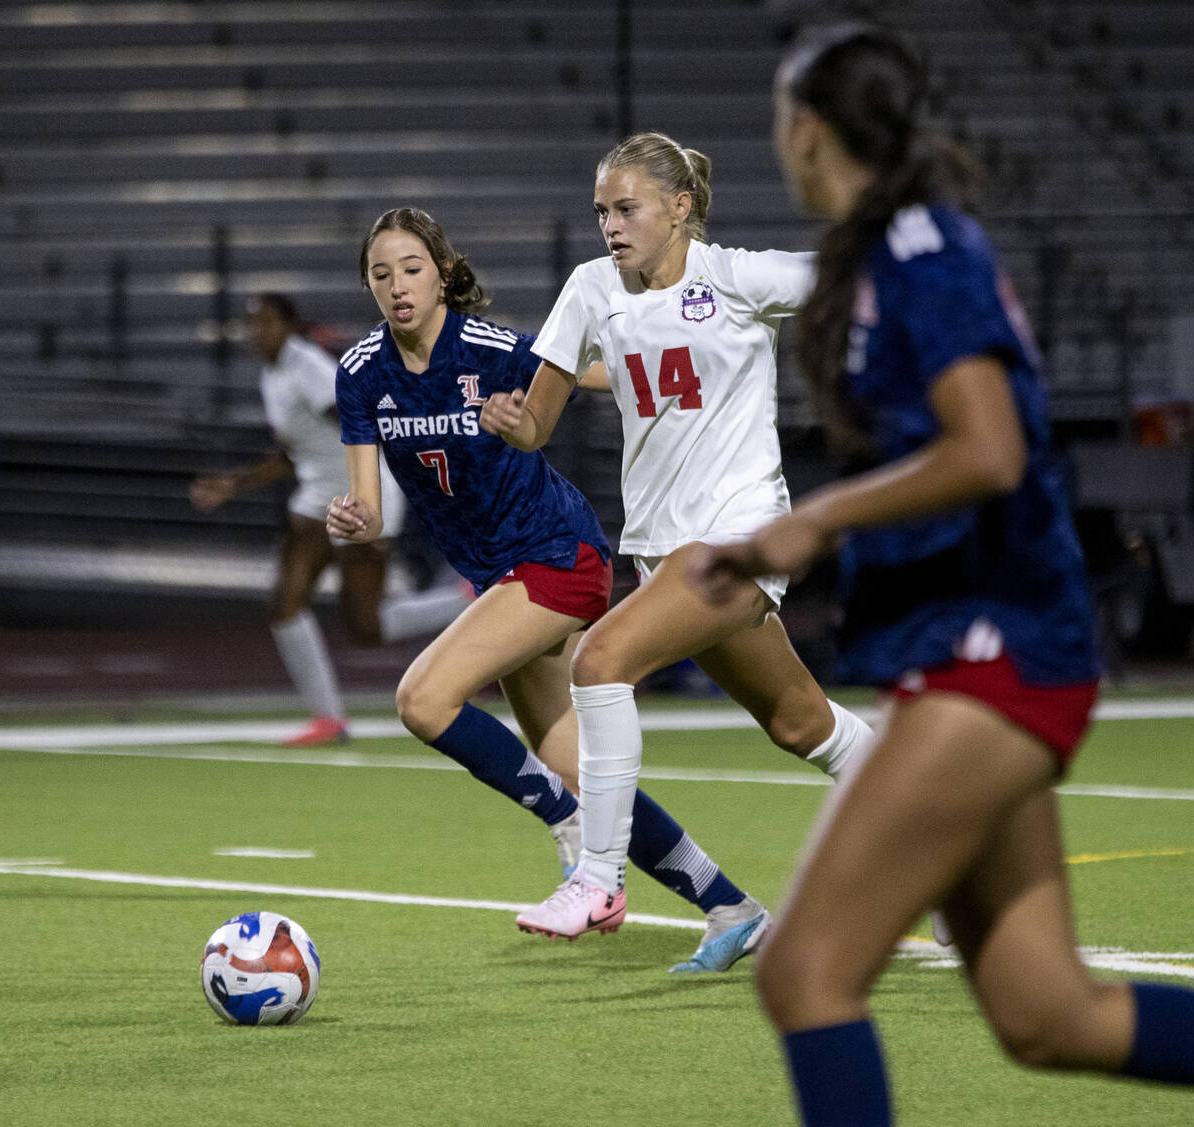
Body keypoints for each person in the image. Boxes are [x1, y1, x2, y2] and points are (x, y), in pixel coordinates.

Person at [688, 24, 1194, 1123]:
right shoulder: (885, 255)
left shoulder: (923, 251)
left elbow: (988, 448)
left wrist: (810, 521)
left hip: (997, 648)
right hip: (967, 647)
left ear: (808, 128)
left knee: (805, 972)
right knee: (1048, 1013)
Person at [327, 206, 770, 973]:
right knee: (581, 769)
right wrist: (353, 518)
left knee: (422, 699)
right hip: (499, 573)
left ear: (441, 273)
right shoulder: (362, 373)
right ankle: (730, 904)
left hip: (557, 553)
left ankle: (568, 826)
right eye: (380, 273)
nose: (397, 286)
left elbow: (583, 372)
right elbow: (368, 514)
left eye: (411, 268)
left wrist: (675, 369)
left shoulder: (489, 348)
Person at [480, 132, 873, 941]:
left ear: (680, 207)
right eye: (601, 212)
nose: (610, 226)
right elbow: (538, 424)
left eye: (626, 209)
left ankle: (597, 877)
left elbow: (855, 280)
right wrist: (512, 424)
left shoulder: (736, 275)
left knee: (600, 659)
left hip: (738, 535)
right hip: (664, 551)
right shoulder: (592, 289)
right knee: (804, 725)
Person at [191, 293, 466, 748]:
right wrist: (234, 484)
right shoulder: (273, 372)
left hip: (361, 495)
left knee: (366, 627)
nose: (256, 332)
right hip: (317, 496)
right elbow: (294, 451)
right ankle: (329, 718)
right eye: (251, 324)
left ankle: (467, 600)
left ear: (290, 325)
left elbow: (357, 420)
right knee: (284, 603)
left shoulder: (307, 367)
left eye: (266, 323)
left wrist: (386, 481)